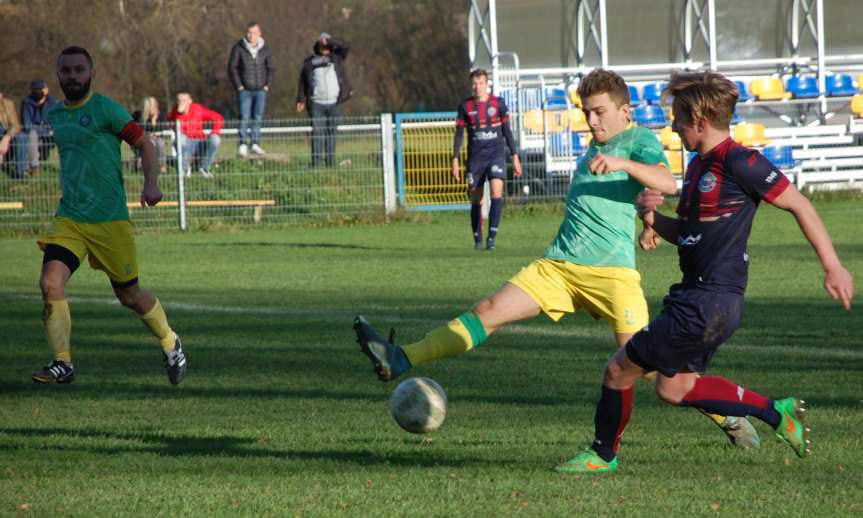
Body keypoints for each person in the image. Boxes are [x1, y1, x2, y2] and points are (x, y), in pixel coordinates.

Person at [354, 69, 759, 450]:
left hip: (612, 275)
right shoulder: (593, 146)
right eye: (587, 113)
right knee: (490, 310)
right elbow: (636, 197)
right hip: (560, 266)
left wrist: (629, 177)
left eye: (600, 112)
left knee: (653, 372)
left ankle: (725, 413)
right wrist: (645, 214)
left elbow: (667, 181)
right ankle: (401, 357)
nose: (592, 121)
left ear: (625, 111)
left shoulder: (638, 140)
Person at [556, 71, 855, 474]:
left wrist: (832, 265)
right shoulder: (698, 169)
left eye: (678, 118)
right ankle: (776, 412)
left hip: (708, 299)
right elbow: (689, 235)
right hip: (702, 298)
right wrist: (650, 217)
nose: (673, 126)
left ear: (699, 121)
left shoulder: (741, 161)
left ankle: (602, 455)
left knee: (618, 370)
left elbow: (800, 204)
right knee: (674, 387)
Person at [31, 46, 186, 385]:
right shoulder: (56, 115)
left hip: (110, 220)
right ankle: (63, 362)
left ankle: (170, 341)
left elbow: (145, 143)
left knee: (130, 296)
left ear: (91, 73)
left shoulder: (106, 110)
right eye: (67, 70)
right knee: (50, 282)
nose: (73, 76)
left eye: (79, 70)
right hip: (70, 218)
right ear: (58, 75)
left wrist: (150, 184)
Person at [452, 68, 523, 250]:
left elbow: (507, 132)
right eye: (474, 84)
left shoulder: (498, 104)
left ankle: (491, 238)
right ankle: (477, 239)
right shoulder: (465, 107)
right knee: (476, 200)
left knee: (496, 193)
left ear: (487, 84)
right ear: (471, 85)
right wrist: (455, 159)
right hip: (475, 160)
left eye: (481, 83)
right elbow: (459, 134)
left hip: (496, 155)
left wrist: (515, 156)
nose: (477, 87)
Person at [296, 32, 352, 167]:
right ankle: (316, 163)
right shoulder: (310, 61)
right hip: (316, 104)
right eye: (322, 44)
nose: (324, 46)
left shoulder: (337, 58)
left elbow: (345, 47)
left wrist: (331, 42)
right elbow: (302, 82)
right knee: (317, 134)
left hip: (334, 102)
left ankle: (330, 163)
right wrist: (300, 99)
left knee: (331, 133)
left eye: (327, 44)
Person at [228, 21, 274, 158]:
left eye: (253, 32)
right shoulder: (238, 47)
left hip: (261, 90)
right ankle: (242, 144)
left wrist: (267, 85)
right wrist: (239, 86)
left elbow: (271, 68)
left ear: (259, 33)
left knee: (258, 117)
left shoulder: (266, 49)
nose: (251, 35)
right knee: (244, 117)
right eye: (249, 32)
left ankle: (255, 143)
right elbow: (232, 68)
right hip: (245, 90)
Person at [166, 92, 223, 178]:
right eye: (179, 100)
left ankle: (204, 169)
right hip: (186, 143)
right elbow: (172, 124)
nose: (181, 102)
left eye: (184, 100)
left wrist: (214, 132)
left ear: (190, 101)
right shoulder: (175, 112)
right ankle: (184, 169)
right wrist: (179, 113)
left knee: (215, 139)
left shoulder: (197, 109)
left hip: (200, 142)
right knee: (179, 139)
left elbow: (218, 118)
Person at [14, 80, 61, 178]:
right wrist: (45, 130)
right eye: (35, 90)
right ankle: (35, 167)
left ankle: (66, 167)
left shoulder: (55, 103)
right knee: (32, 134)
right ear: (31, 91)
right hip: (36, 134)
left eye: (41, 89)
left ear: (46, 90)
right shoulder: (26, 103)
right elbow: (27, 125)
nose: (38, 92)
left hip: (52, 134)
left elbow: (57, 122)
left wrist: (49, 130)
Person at [132, 96, 167, 172]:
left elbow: (161, 130)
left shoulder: (160, 115)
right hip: (141, 139)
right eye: (151, 105)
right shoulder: (137, 115)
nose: (154, 107)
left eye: (155, 104)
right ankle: (143, 166)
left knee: (159, 143)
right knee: (149, 143)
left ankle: (162, 166)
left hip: (156, 138)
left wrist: (154, 120)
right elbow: (136, 130)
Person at [0, 88, 22, 175]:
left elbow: (15, 126)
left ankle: (21, 171)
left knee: (22, 137)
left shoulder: (8, 104)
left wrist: (6, 138)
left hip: (6, 131)